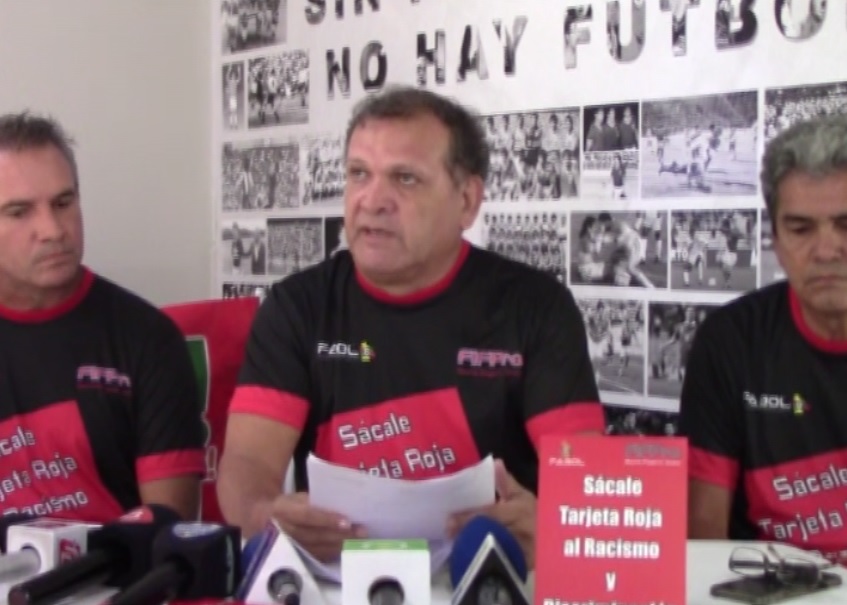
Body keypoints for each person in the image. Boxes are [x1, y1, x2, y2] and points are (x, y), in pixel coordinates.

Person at [217, 86, 604, 567]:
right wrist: (264, 515)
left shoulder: (536, 306)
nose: (372, 200)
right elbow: (248, 463)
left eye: (405, 178)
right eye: (359, 174)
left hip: (490, 579)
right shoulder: (296, 306)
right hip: (342, 582)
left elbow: (587, 480)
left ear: (467, 201)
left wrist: (552, 524)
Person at [0, 113, 205, 522]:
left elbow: (168, 525)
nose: (52, 230)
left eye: (63, 203)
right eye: (20, 212)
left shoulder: (148, 338)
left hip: (118, 563)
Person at [679, 114, 847, 564]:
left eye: (845, 224)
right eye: (801, 229)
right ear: (774, 240)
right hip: (770, 589)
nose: (826, 250)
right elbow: (704, 539)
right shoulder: (729, 342)